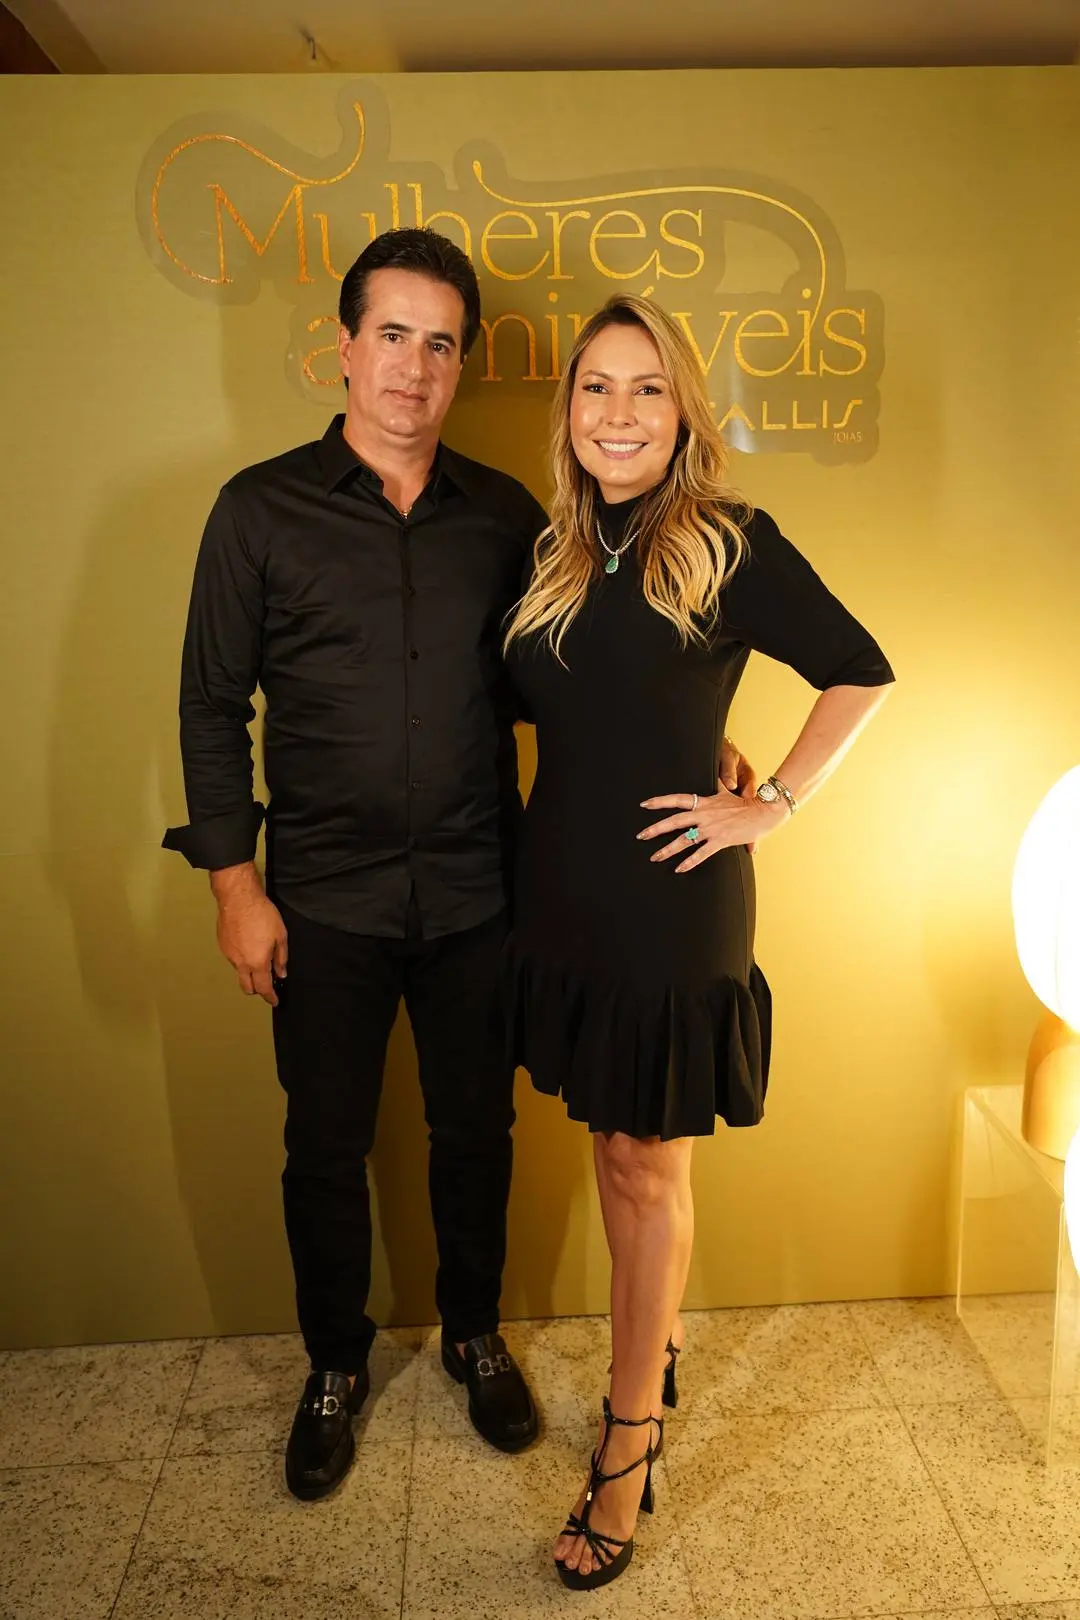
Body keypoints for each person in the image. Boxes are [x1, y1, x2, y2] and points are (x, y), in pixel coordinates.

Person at [503, 293, 894, 1590]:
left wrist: (769, 799)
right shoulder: (556, 550)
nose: (618, 414)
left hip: (672, 902)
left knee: (641, 1161)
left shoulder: (728, 540)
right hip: (563, 891)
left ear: (682, 412)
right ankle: (653, 1347)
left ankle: (628, 1444)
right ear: (569, 409)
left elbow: (860, 670)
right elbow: (588, 698)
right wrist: (690, 725)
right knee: (610, 1147)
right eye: (596, 388)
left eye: (647, 389)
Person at [161, 228, 556, 1499]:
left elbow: (573, 677)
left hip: (478, 893)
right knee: (323, 1147)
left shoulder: (506, 516)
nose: (414, 367)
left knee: (476, 1131)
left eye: (440, 343)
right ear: (342, 347)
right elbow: (210, 707)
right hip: (320, 901)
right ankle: (334, 1363)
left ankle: (475, 1335)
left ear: (461, 363)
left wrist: (693, 730)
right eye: (392, 335)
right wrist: (236, 888)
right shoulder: (257, 510)